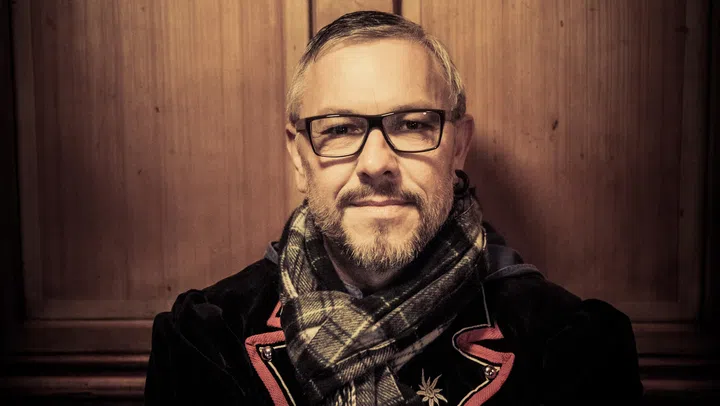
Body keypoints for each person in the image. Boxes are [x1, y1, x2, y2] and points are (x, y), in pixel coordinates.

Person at [144, 11, 643, 405]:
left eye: (412, 124)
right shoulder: (206, 340)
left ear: (458, 146)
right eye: (339, 129)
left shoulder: (572, 347)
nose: (377, 163)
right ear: (299, 157)